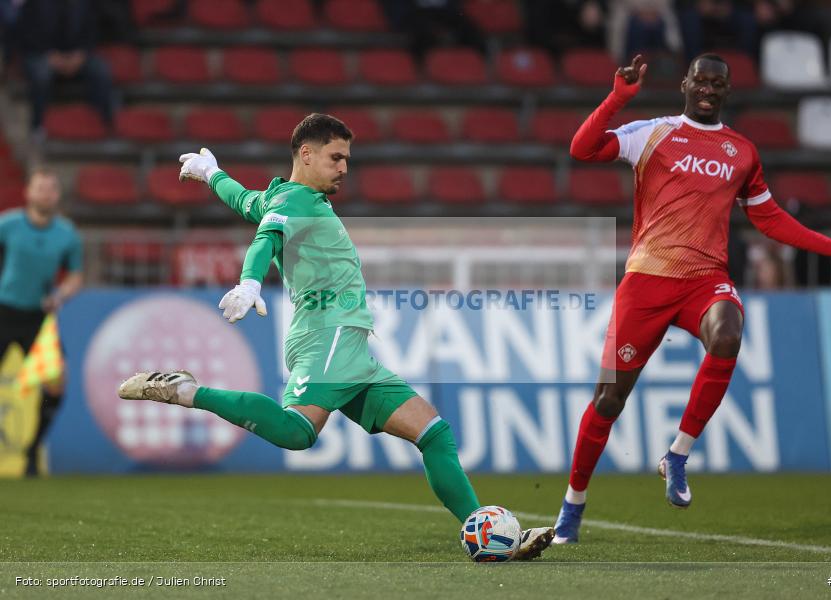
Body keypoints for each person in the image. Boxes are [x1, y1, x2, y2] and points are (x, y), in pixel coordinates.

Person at [116, 114, 555, 559]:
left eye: (347, 158)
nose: (345, 167)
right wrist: (250, 281)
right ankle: (186, 391)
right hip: (325, 335)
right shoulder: (296, 201)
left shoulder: (285, 197)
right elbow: (264, 237)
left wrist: (212, 174)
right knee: (297, 432)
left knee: (434, 434)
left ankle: (489, 534)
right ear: (306, 154)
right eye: (336, 157)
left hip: (351, 347)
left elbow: (248, 202)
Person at [552, 54, 831, 543]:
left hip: (706, 281)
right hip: (647, 282)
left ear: (727, 91)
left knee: (728, 335)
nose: (707, 88)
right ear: (685, 83)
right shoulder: (654, 133)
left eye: (717, 83)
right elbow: (582, 148)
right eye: (700, 80)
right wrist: (619, 97)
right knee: (608, 400)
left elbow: (768, 218)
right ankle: (572, 507)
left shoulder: (741, 151)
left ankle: (678, 455)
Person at [0, 168, 83, 475]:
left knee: (56, 383)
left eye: (50, 189)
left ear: (56, 195)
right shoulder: (8, 225)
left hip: (38, 317)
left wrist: (61, 294)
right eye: (40, 189)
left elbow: (75, 275)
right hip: (4, 311)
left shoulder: (66, 234)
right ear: (28, 193)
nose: (44, 195)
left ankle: (32, 450)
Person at [13, 0, 115, 137]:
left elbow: (92, 32)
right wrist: (49, 55)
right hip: (42, 54)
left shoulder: (85, 4)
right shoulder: (34, 4)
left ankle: (101, 122)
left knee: (101, 69)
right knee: (41, 74)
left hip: (77, 55)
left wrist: (81, 55)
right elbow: (25, 33)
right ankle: (38, 125)